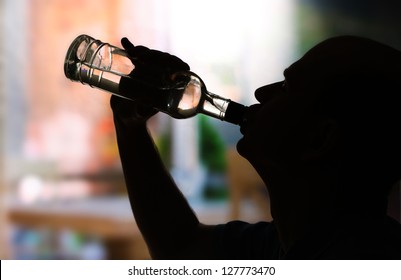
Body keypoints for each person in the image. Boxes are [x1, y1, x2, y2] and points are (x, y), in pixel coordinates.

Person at [110, 36, 401, 259]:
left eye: (287, 87)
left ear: (319, 138)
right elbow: (181, 247)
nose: (262, 92)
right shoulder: (286, 243)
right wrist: (129, 124)